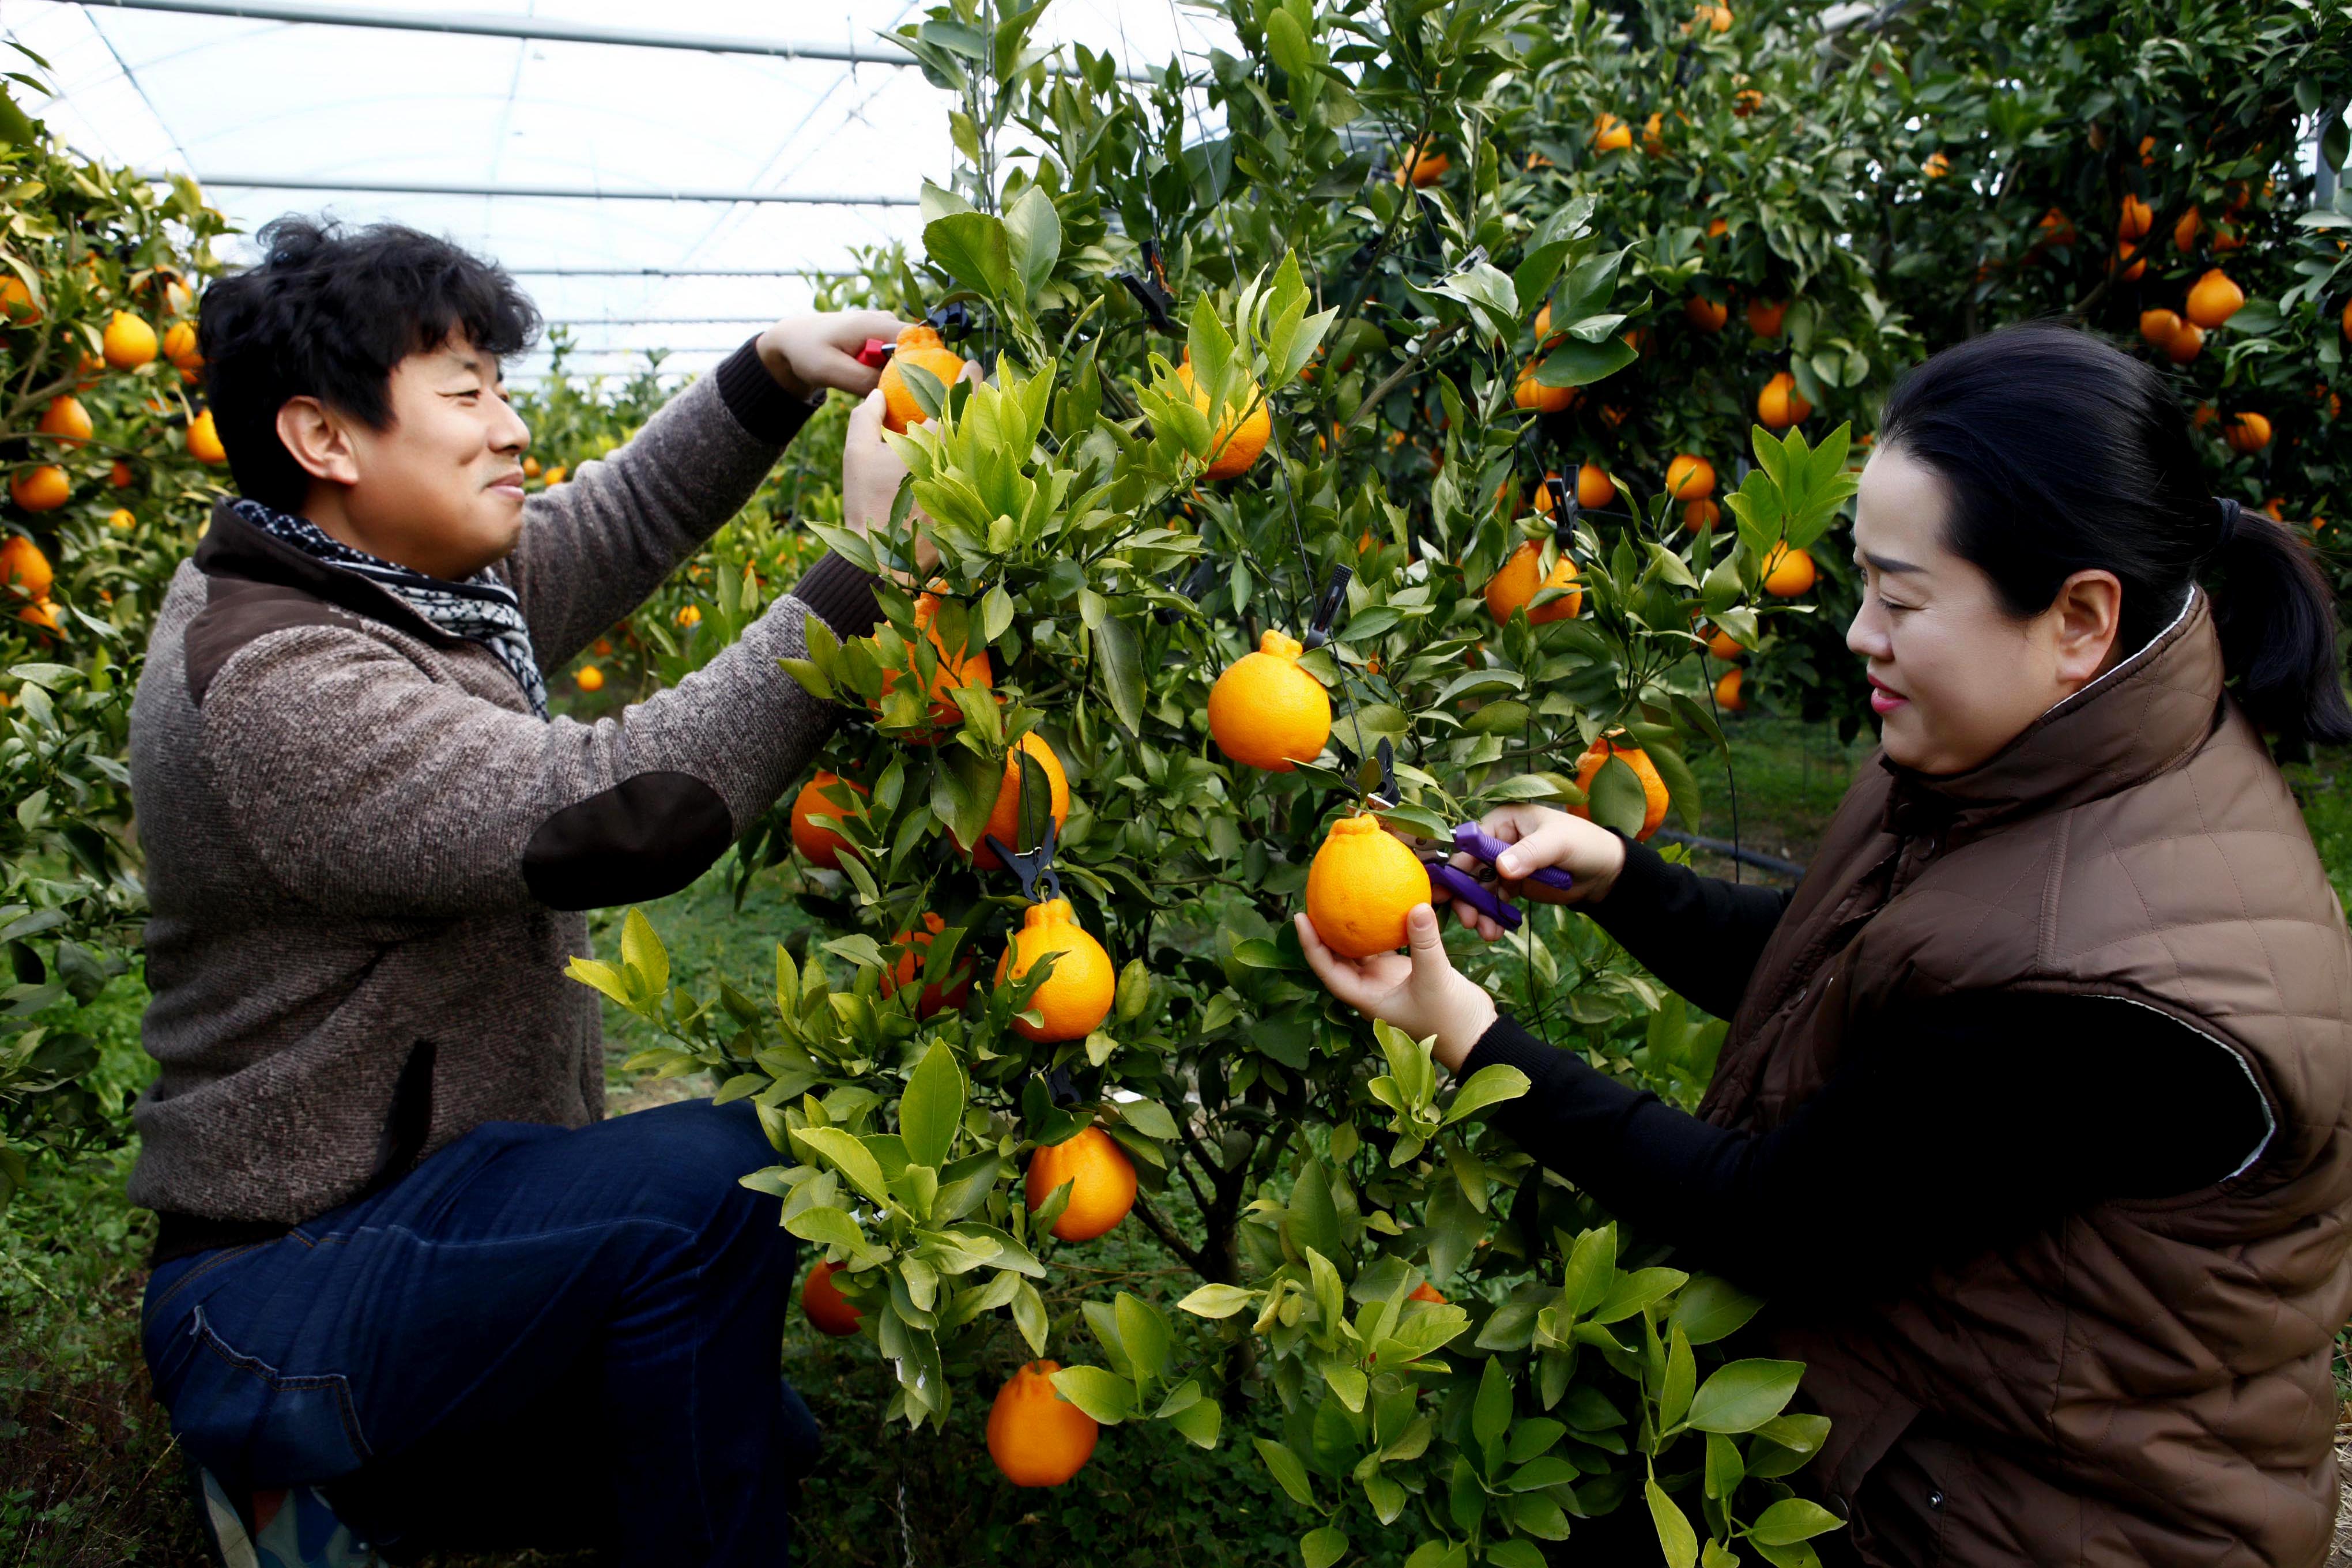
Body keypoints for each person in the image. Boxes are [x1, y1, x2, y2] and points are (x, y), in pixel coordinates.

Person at [1298, 322, 2352, 1566]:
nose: (1858, 632)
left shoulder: (2119, 1003)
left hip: (2025, 1517)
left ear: (2079, 618)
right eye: (1862, 582)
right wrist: (1621, 878)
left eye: (1901, 597)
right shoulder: (2035, 752)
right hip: (1929, 1417)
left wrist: (1471, 1040)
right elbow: (1861, 976)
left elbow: (1771, 1216)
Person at [129, 215, 915, 1567]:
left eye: (500, 383)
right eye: (467, 392)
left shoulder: (396, 582)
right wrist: (867, 568)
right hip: (285, 1276)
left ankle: (428, 1474)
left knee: (758, 1432)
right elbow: (628, 805)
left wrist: (769, 374)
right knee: (718, 1184)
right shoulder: (271, 683)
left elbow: (611, 522)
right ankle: (311, 1477)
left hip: (444, 1198)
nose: (509, 424)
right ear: (325, 438)